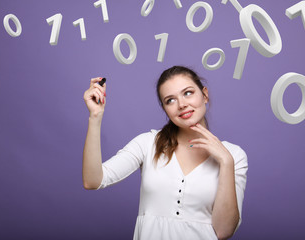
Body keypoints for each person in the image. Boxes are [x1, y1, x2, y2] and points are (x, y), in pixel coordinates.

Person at [82, 66, 248, 240]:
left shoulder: (233, 155)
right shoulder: (148, 143)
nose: (182, 104)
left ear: (204, 95)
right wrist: (95, 116)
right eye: (170, 100)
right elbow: (93, 181)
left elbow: (224, 231)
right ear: (165, 109)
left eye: (188, 93)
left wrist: (226, 162)